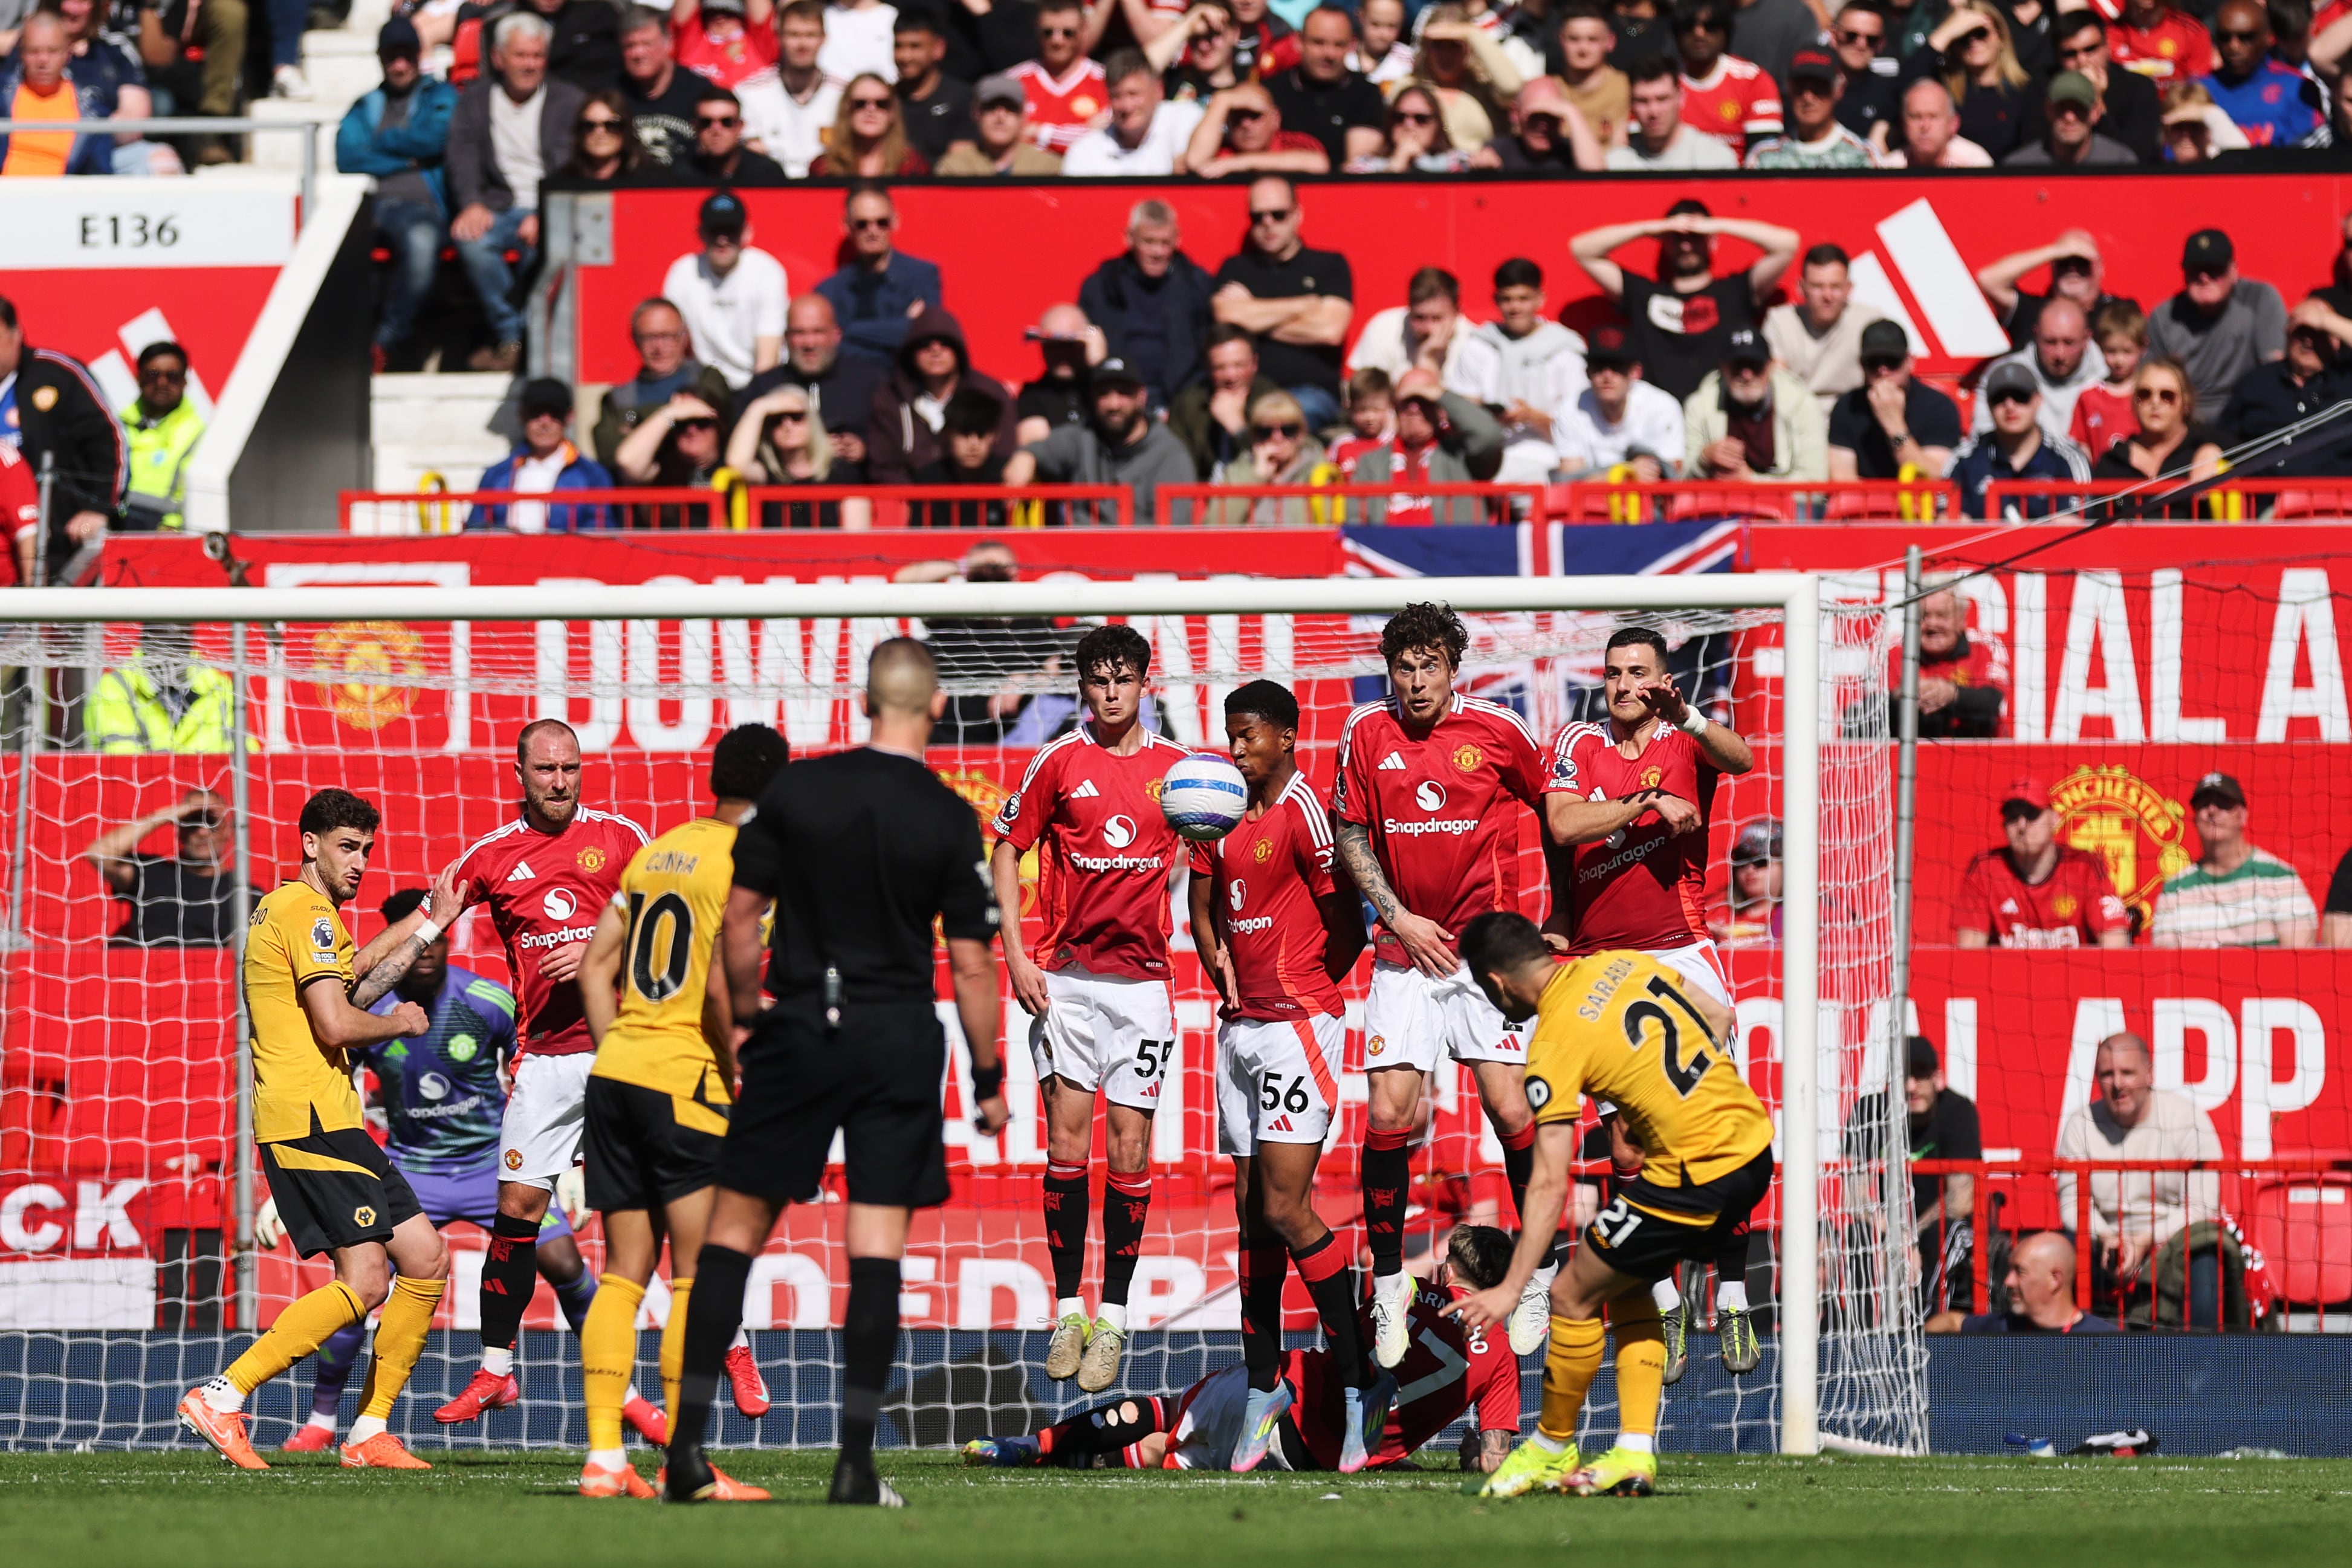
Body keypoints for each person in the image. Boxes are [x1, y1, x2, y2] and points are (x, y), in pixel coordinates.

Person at [661, 640, 1008, 1508]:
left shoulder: (797, 790)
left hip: (801, 1025)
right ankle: (855, 1465)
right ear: (935, 707)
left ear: (863, 701)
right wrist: (988, 1074)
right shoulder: (946, 813)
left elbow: (741, 919)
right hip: (896, 1032)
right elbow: (973, 965)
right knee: (876, 1248)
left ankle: (686, 1452)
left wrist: (749, 1015)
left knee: (732, 1234)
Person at [279, 884, 663, 1458]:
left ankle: (623, 1394)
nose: (426, 949)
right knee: (361, 1283)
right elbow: (333, 1086)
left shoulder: (488, 1000)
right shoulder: (370, 1014)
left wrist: (567, 1162)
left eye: (435, 936)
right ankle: (322, 1419)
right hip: (412, 1170)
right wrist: (321, 1166)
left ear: (449, 937)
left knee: (565, 1264)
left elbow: (540, 1073)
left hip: (491, 1164)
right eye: (414, 938)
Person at [175, 789, 453, 1473]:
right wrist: (403, 1023)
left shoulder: (301, 910)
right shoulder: (306, 912)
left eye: (367, 850)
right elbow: (337, 1021)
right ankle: (222, 1394)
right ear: (310, 843)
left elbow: (352, 977)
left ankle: (369, 1431)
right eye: (346, 847)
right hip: (308, 1119)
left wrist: (429, 918)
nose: (360, 862)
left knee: (425, 1257)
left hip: (330, 1118)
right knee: (366, 1279)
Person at [1450, 912, 1772, 1500]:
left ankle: (1550, 1448)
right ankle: (1633, 1452)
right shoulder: (1618, 962)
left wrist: (1510, 1288)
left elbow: (1548, 1183)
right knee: (1623, 1281)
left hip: (1692, 1175)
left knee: (1571, 1295)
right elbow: (1721, 1016)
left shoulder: (1553, 1043)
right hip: (1752, 1148)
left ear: (1496, 982)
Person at [1331, 604, 1553, 1367]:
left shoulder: (1497, 729)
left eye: (1431, 665)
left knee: (1511, 1106)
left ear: (1454, 668)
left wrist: (1561, 915)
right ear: (1390, 672)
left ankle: (1534, 1275)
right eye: (1405, 667)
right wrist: (1396, 915)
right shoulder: (1365, 732)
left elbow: (1555, 812)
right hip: (1405, 954)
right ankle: (1389, 1285)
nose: (1418, 680)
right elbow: (1351, 832)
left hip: (1485, 958)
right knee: (1389, 1113)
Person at [1171, 679, 1387, 1465]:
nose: (1235, 749)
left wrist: (1303, 989)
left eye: (1249, 735)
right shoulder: (1216, 811)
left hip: (1298, 1028)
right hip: (1238, 1030)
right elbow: (1201, 910)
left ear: (1287, 737)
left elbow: (1349, 927)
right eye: (1230, 734)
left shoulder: (1305, 815)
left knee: (1286, 1206)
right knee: (1249, 1215)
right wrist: (1216, 958)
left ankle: (1360, 1379)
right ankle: (1264, 1383)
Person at [571, 724, 791, 1498]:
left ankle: (604, 1457)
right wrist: (737, 1066)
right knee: (697, 1275)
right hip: (686, 1081)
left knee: (623, 1272)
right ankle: (683, 1462)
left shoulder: (656, 852)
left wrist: (624, 1050)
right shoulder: (750, 862)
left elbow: (594, 968)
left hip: (617, 1072)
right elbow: (725, 982)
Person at [432, 722, 669, 1430]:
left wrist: (602, 953)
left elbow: (674, 927)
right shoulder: (491, 855)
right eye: (546, 769)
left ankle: (735, 1347)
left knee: (676, 1202)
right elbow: (427, 920)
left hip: (622, 1044)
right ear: (520, 773)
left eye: (570, 768)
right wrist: (364, 969)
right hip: (543, 1061)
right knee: (515, 1211)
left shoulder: (623, 838)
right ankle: (495, 1370)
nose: (560, 781)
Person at [965, 1225, 1518, 1474]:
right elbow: (1491, 1459)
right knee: (1162, 1453)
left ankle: (1029, 1446)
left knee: (1164, 1412)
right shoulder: (1502, 1359)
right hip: (1308, 1459)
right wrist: (1473, 1452)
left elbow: (1350, 1341)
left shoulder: (1408, 1294)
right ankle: (1072, 1457)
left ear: (1450, 1271)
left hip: (1281, 1397)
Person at [2054, 1031, 2226, 1326]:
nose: (2118, 1083)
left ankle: (2206, 1352)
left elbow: (2203, 1206)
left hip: (2173, 1240)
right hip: (2102, 1241)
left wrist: (2145, 1240)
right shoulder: (2080, 1124)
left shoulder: (2187, 1118)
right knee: (2056, 1253)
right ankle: (2059, 1350)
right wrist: (2106, 1237)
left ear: (2149, 1073)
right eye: (2108, 1074)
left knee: (2206, 1255)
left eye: (2127, 1072)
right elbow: (2072, 1204)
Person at [446, 13, 584, 375]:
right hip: (498, 207)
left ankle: (533, 341)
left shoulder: (570, 101)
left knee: (544, 249)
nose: (530, 64)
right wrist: (471, 203)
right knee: (472, 241)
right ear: (498, 58)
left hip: (550, 207)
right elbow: (462, 155)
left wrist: (547, 213)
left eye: (537, 56)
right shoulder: (475, 101)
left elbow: (576, 164)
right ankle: (514, 338)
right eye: (521, 55)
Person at [1569, 201, 1800, 404]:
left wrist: (1718, 226)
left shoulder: (1736, 291)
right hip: (1658, 419)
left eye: (1696, 238)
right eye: (1678, 238)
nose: (1686, 246)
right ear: (1665, 241)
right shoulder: (1643, 294)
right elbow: (1582, 250)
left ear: (1712, 241)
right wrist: (1650, 229)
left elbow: (1787, 245)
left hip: (1717, 416)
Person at [338, 19, 456, 374]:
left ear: (420, 56)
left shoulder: (441, 96)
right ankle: (338, 347)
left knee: (421, 241)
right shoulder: (366, 105)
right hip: (370, 205)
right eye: (392, 57)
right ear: (380, 58)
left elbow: (437, 138)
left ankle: (385, 341)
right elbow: (348, 157)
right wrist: (406, 160)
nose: (400, 65)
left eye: (407, 56)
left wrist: (385, 142)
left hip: (421, 205)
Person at [1849, 1034, 1983, 1320]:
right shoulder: (1869, 1111)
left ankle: (1928, 1330)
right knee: (1856, 1235)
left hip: (1938, 1224)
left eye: (1920, 1075)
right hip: (1885, 1226)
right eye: (1902, 1077)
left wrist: (1909, 1236)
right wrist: (1890, 1234)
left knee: (1945, 1234)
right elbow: (1853, 1195)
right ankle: (1866, 1328)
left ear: (1938, 1078)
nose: (1910, 1087)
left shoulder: (1957, 1111)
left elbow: (1961, 1199)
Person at [1211, 177, 1353, 432]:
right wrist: (1302, 305)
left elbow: (1330, 331)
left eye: (1278, 215)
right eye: (1258, 217)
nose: (1268, 223)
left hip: (1311, 393)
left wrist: (1251, 314)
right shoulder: (1235, 268)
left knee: (1280, 420)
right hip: (1247, 391)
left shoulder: (1329, 265)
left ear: (1298, 215)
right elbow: (1225, 316)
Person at [1002, 358, 1196, 523]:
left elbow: (1172, 531)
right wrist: (1025, 456)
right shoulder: (1082, 436)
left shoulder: (1170, 454)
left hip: (1139, 553)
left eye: (1123, 393)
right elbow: (1042, 450)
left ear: (1142, 397)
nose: (1113, 404)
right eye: (1104, 394)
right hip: (1078, 552)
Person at [2149, 771, 2318, 947]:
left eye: (2223, 804)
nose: (2212, 811)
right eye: (2203, 804)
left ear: (2242, 815)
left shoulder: (2279, 878)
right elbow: (2165, 960)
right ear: (2195, 818)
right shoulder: (2175, 889)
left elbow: (2298, 957)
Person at [1954, 778, 2130, 945]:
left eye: (2032, 814)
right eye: (2013, 817)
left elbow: (2115, 944)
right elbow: (1969, 952)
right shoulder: (1986, 869)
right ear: (2004, 825)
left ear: (2055, 819)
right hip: (2007, 968)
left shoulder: (2084, 867)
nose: (2022, 826)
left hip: (2077, 968)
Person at [1077, 199, 1217, 406]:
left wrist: (1185, 404)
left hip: (1182, 397)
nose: (1157, 252)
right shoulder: (1101, 286)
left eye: (1165, 243)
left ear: (1178, 239)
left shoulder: (1197, 285)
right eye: (1149, 242)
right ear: (1129, 237)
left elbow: (1210, 350)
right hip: (1117, 394)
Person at [866, 304, 1020, 485]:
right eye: (925, 344)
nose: (936, 351)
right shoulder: (890, 397)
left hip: (980, 494)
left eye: (945, 343)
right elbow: (884, 463)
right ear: (911, 351)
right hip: (911, 496)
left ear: (958, 350)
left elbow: (1005, 452)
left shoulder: (989, 392)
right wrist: (914, 497)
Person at [1470, 258, 1591, 484]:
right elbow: (1464, 409)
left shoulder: (1565, 350)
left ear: (1540, 299)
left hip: (1548, 463)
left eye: (1523, 299)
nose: (1515, 308)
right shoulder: (1479, 344)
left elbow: (1582, 433)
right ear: (1496, 300)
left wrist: (1531, 417)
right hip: (1486, 459)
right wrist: (1487, 420)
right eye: (1507, 299)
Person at [2145, 228, 2287, 412]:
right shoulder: (2164, 317)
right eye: (2196, 270)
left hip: (2246, 412)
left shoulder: (2259, 300)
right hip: (2184, 416)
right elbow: (2149, 383)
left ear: (2234, 271)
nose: (2204, 278)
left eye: (2214, 270)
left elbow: (2275, 372)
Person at [660, 190, 788, 394]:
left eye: (731, 231)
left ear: (746, 233)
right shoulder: (682, 273)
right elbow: (671, 342)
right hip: (707, 388)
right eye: (715, 231)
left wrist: (753, 404)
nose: (722, 240)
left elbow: (768, 361)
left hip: (759, 384)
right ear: (701, 233)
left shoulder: (766, 272)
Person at [1338, 369, 1507, 522]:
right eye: (1407, 400)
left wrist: (1441, 394)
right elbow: (1355, 521)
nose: (1414, 408)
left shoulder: (1462, 456)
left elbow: (1489, 434)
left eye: (1423, 400)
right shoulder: (1371, 462)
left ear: (1440, 406)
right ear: (1395, 407)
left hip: (1450, 546)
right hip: (1390, 546)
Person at [590, 298, 736, 474]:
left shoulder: (706, 378)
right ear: (635, 340)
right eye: (649, 338)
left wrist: (640, 428)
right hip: (649, 487)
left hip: (709, 481)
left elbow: (719, 419)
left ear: (684, 337)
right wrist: (673, 414)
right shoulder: (619, 399)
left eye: (668, 336)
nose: (659, 347)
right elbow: (611, 456)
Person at [738, 293, 884, 469]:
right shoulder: (764, 387)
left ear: (837, 334)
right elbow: (744, 450)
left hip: (854, 482)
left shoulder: (869, 380)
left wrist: (865, 448)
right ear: (786, 337)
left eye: (818, 332)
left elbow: (895, 443)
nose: (809, 343)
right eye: (799, 333)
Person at [82, 786, 239, 945]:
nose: (202, 832)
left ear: (228, 830)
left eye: (211, 822)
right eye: (192, 821)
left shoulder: (241, 893)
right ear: (179, 829)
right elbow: (98, 853)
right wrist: (166, 815)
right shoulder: (151, 874)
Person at [815, 186, 944, 369]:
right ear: (847, 226)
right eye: (862, 224)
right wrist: (903, 325)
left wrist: (850, 331)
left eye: (882, 222)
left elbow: (926, 335)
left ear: (895, 222)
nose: (873, 231)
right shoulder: (829, 291)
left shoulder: (923, 276)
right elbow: (827, 352)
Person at [467, 378, 615, 533]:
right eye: (535, 413)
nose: (545, 422)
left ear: (570, 416)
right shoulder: (495, 475)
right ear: (522, 415)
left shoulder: (593, 476)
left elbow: (601, 531)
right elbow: (475, 530)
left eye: (555, 413)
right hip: (506, 550)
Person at [1949, 362, 2093, 517]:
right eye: (1999, 398)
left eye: (2020, 397)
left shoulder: (2068, 459)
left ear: (2038, 400)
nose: (2010, 406)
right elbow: (1947, 519)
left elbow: (2080, 522)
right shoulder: (1965, 459)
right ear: (1989, 405)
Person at [1683, 329, 1829, 482]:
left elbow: (1815, 483)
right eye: (1738, 366)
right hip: (1721, 496)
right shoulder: (1699, 405)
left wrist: (1751, 481)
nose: (1747, 375)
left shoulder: (1802, 404)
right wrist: (1704, 460)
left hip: (1779, 496)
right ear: (1724, 368)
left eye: (1755, 365)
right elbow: (1683, 483)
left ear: (1770, 366)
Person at [2221, 303, 2351, 471]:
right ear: (2287, 332)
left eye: (2319, 332)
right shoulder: (2257, 382)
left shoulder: (2346, 377)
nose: (2308, 341)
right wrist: (2209, 448)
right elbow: (2223, 435)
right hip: (2267, 485)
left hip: (2337, 486)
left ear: (2336, 340)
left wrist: (2325, 320)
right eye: (2301, 331)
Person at [1346, 268, 1504, 406]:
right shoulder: (1384, 326)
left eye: (1437, 318)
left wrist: (1428, 362)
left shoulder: (1474, 343)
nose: (1428, 328)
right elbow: (1365, 397)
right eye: (1419, 318)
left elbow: (1470, 411)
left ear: (1458, 312)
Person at [1827, 320, 1962, 481]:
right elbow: (1842, 480)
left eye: (1892, 362)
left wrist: (1895, 427)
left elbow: (1934, 477)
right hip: (1865, 498)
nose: (1883, 371)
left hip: (1918, 498)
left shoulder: (1938, 407)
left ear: (1910, 362)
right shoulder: (1847, 407)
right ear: (1862, 365)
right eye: (1873, 363)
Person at [1552, 325, 1686, 481]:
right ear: (1587, 372)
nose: (1607, 376)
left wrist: (1599, 478)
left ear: (1636, 372)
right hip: (1594, 497)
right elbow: (1569, 484)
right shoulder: (1570, 409)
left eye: (1617, 367)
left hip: (1648, 496)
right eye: (1599, 367)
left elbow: (1670, 477)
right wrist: (1624, 473)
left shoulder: (1662, 407)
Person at [1903, 0, 2033, 160]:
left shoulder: (2026, 91)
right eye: (1963, 36)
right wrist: (1945, 33)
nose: (1973, 42)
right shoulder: (1943, 90)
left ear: (2000, 37)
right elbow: (1903, 91)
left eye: (1980, 33)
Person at [1764, 245, 1882, 420]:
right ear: (1801, 287)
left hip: (1855, 418)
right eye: (1817, 286)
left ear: (1849, 288)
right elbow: (1778, 385)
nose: (1827, 296)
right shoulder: (1780, 321)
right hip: (1796, 419)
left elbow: (1885, 380)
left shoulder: (1870, 322)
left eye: (1835, 287)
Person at [1969, 297, 2108, 442]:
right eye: (2050, 342)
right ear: (2036, 334)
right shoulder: (2004, 376)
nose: (2060, 354)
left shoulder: (2110, 374)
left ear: (2086, 338)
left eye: (2069, 343)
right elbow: (1983, 440)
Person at [2027, 9, 2159, 160]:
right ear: (2058, 56)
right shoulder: (2043, 88)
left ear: (2107, 46)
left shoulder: (2138, 87)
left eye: (2090, 49)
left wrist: (2096, 100)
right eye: (2070, 54)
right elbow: (2033, 149)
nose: (2082, 61)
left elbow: (2137, 155)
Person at [1926, 1231, 2119, 1333]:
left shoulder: (2105, 1344)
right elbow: (1951, 1322)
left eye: (2020, 1272)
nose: (2008, 1281)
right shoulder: (2005, 1326)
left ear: (2055, 1279)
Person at [1264, 5, 1384, 166]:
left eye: (1339, 44)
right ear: (1299, 41)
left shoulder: (1366, 94)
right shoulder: (1272, 92)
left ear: (1352, 45)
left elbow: (1358, 168)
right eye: (1319, 43)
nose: (1329, 54)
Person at [1975, 228, 2130, 352]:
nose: (2072, 269)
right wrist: (2055, 251)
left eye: (2082, 262)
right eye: (2064, 261)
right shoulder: (2033, 311)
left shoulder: (2120, 312)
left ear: (2100, 267)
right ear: (2052, 266)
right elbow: (1988, 279)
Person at [2092, 356, 2227, 497]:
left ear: (2186, 403)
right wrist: (2121, 502)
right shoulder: (2113, 462)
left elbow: (2243, 454)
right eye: (2144, 395)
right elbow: (2109, 505)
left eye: (2167, 396)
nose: (2155, 402)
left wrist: (2212, 450)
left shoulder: (2204, 445)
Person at [0, 13, 112, 178]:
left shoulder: (92, 114)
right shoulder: (3, 96)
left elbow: (100, 176)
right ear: (21, 52)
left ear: (68, 52)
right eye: (33, 51)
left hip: (61, 192)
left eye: (53, 51)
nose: (43, 60)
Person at [618, 3, 727, 165]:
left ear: (668, 42)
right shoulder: (612, 94)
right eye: (630, 46)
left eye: (647, 44)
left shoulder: (699, 90)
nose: (638, 54)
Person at [1207, 390, 1338, 524]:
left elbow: (1332, 526)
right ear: (1254, 435)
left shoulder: (1320, 473)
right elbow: (1213, 526)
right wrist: (1256, 476)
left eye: (1288, 430)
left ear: (1301, 433)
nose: (1277, 438)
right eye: (1266, 432)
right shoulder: (1236, 473)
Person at [1063, 47, 1202, 172]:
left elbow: (1187, 173)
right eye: (1117, 96)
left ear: (1158, 90)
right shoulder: (1085, 151)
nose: (1127, 107)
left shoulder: (1184, 118)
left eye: (1134, 94)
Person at [1168, 323, 1280, 479]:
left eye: (1239, 365)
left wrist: (1239, 429)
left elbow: (1278, 464)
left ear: (1254, 363)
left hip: (1256, 488)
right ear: (1208, 368)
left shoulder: (1273, 401)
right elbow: (1178, 465)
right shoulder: (1189, 404)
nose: (1230, 376)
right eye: (1220, 368)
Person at [1670, 0, 1781, 155]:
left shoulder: (1754, 80)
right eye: (1689, 26)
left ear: (1726, 31)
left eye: (1711, 26)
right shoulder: (1660, 81)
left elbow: (1764, 154)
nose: (1699, 33)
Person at [115, 342, 202, 534]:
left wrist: (174, 526)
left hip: (171, 536)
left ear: (185, 382)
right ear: (138, 378)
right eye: (152, 374)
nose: (162, 383)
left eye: (173, 376)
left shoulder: (200, 433)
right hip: (115, 530)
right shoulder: (116, 428)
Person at [1743, 46, 1881, 166]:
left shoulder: (1862, 156)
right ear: (1789, 89)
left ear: (1839, 89)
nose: (1808, 98)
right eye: (1800, 87)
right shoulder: (1764, 157)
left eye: (1819, 88)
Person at [1605, 53, 1741, 167]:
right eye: (1643, 101)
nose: (1653, 112)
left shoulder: (1716, 159)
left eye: (1662, 99)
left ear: (1681, 97)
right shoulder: (1617, 165)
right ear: (1631, 104)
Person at [906, 384, 1012, 526]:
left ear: (995, 435)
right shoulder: (928, 479)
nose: (973, 444)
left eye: (981, 434)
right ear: (947, 434)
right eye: (964, 433)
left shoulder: (1009, 476)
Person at [1012, 0, 1111, 152]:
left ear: (1084, 30)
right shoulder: (1014, 81)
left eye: (1068, 33)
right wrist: (1086, 132)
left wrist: (1039, 132)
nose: (1057, 41)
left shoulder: (1107, 83)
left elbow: (1109, 141)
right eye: (1048, 32)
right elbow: (1004, 138)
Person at [760, 0, 844, 176]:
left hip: (826, 187)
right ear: (778, 37)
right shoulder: (750, 93)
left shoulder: (844, 95)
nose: (802, 44)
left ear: (824, 38)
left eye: (811, 35)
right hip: (771, 187)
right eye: (794, 35)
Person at [1186, 79, 1333, 175]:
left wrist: (1242, 163)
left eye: (1255, 116)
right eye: (1238, 116)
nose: (1246, 124)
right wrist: (1222, 100)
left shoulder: (1295, 144)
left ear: (1276, 119)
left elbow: (1319, 164)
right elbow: (1196, 161)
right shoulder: (1221, 150)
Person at [1011, 302, 1105, 444]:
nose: (1061, 354)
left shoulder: (1111, 388)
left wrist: (1100, 367)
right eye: (1053, 345)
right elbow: (1038, 450)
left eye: (1070, 345)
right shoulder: (1032, 396)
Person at [937, 69, 1066, 171]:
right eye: (991, 107)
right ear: (976, 113)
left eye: (1010, 108)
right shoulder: (954, 169)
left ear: (1023, 116)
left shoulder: (1048, 168)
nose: (1000, 117)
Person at [1469, 74, 1607, 170]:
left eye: (1550, 116)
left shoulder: (1573, 152)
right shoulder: (1499, 151)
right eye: (1535, 116)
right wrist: (1485, 169)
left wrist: (1572, 112)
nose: (1543, 125)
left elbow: (1597, 177)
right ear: (1515, 114)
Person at [2069, 300, 2147, 462]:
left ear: (2142, 348)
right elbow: (2081, 445)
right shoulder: (2089, 397)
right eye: (2111, 351)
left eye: (2127, 352)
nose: (2119, 360)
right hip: (2102, 476)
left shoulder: (2149, 394)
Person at [2003, 68, 2134, 163]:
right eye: (2061, 108)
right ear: (2047, 110)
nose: (2069, 117)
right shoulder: (2019, 168)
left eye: (2079, 108)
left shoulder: (2121, 162)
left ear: (2095, 113)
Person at [894, 10, 975, 162]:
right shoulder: (884, 101)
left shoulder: (963, 99)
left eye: (915, 47)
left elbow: (961, 165)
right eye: (899, 46)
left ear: (939, 48)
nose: (905, 57)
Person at [821, 70, 933, 173]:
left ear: (892, 112)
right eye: (860, 103)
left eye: (881, 104)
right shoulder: (823, 168)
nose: (871, 109)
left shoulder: (913, 165)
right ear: (846, 108)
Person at [1830, 0, 1903, 146]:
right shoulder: (1812, 86)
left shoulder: (1891, 94)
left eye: (1871, 39)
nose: (1861, 45)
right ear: (1833, 35)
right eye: (1851, 36)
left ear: (1882, 43)